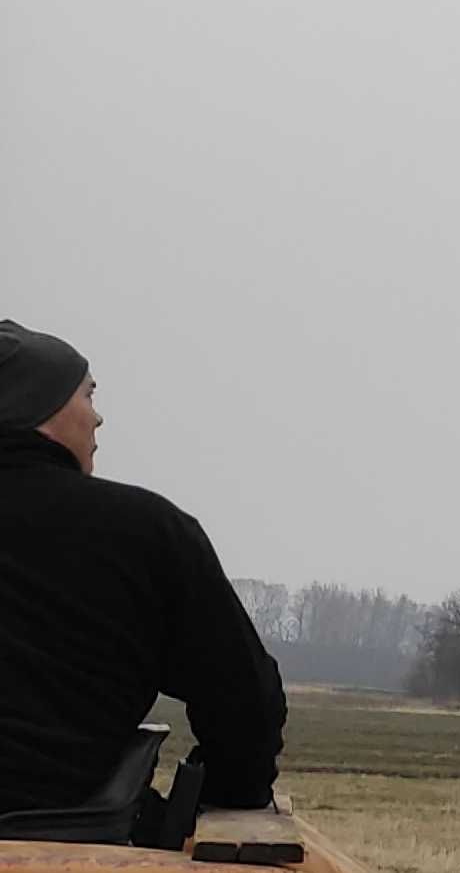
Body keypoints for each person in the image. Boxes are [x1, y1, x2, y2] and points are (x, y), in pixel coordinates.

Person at [0, 320, 287, 841]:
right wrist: (225, 797)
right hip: (79, 861)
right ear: (38, 408)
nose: (99, 417)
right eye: (87, 394)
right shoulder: (147, 531)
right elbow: (244, 698)